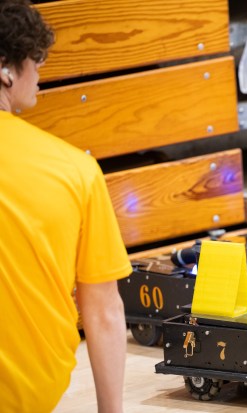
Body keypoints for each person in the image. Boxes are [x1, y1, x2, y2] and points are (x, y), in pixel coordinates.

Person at [0, 1, 132, 411]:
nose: (39, 73)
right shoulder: (73, 169)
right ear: (5, 69)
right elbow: (103, 311)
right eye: (35, 59)